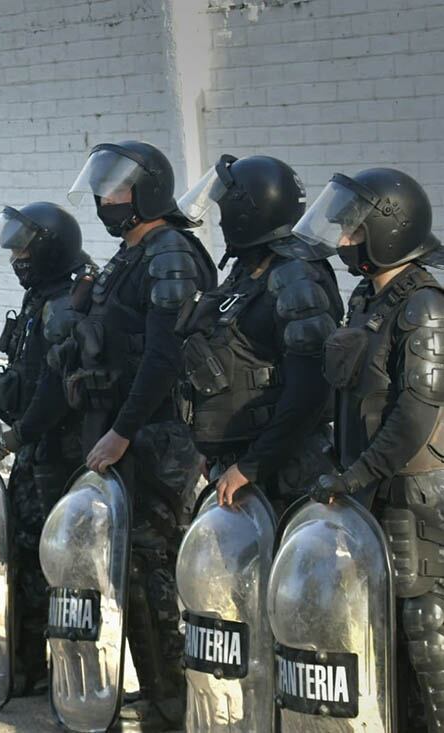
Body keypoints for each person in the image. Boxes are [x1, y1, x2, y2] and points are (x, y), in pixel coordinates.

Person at [64, 140, 216, 729]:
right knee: (128, 570)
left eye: (118, 190)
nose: (106, 200)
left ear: (148, 192)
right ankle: (155, 691)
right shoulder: (130, 254)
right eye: (102, 190)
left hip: (156, 436)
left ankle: (176, 703)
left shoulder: (169, 251)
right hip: (121, 429)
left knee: (157, 571)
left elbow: (162, 358)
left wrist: (122, 433)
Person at [297, 168, 444, 731]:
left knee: (424, 633)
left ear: (389, 230)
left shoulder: (425, 305)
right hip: (366, 488)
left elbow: (415, 415)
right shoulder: (368, 297)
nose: (344, 241)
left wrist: (354, 476)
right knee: (374, 632)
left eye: (356, 230)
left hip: (412, 494)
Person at [0, 201, 92, 696]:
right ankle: (27, 666)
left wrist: (12, 440)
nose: (16, 255)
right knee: (24, 558)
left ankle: (54, 670)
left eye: (23, 246)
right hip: (37, 450)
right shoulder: (46, 298)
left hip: (58, 455)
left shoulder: (64, 306)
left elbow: (54, 388)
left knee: (51, 563)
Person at [173, 154, 342, 515]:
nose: (219, 222)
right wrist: (217, 451)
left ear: (247, 213)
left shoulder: (296, 278)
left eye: (225, 211)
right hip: (243, 464)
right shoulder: (247, 270)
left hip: (285, 472)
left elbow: (310, 392)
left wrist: (251, 465)